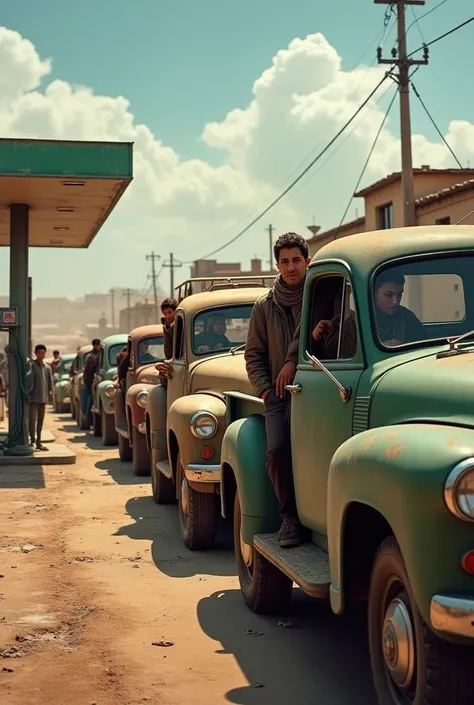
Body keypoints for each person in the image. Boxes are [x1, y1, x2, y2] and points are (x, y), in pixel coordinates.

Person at [245, 231, 311, 548]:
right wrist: (267, 392)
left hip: (317, 390)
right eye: (284, 261)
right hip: (279, 398)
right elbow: (253, 355)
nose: (291, 267)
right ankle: (289, 518)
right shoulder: (264, 307)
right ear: (278, 265)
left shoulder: (323, 296)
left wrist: (293, 362)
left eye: (296, 259)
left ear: (307, 261)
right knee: (277, 451)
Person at [374, 271, 425, 346]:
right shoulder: (362, 318)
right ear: (374, 293)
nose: (395, 301)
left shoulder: (406, 316)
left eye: (399, 295)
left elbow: (424, 346)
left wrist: (404, 345)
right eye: (388, 295)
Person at [26, 344, 53, 451]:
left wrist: (49, 395)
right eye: (40, 353)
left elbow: (50, 383)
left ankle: (38, 442)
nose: (41, 355)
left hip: (43, 399)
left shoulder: (47, 367)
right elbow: (28, 380)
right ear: (35, 353)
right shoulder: (31, 365)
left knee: (41, 421)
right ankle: (32, 440)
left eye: (43, 353)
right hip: (33, 399)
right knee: (32, 421)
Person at [156, 298, 177, 385]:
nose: (167, 316)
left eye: (169, 312)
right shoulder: (166, 326)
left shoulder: (178, 325)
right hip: (171, 363)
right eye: (165, 313)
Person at [82, 339, 101, 419]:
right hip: (92, 380)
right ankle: (87, 415)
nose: (98, 346)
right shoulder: (92, 356)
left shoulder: (100, 354)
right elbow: (89, 370)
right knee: (91, 398)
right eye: (97, 345)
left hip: (94, 379)